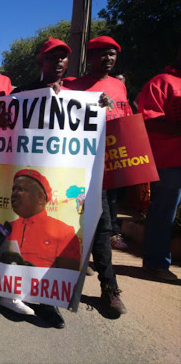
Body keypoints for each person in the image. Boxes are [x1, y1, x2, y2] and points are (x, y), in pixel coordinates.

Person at [64, 36, 129, 316]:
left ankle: (109, 289)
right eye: (102, 54)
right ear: (89, 57)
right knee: (67, 224)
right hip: (73, 169)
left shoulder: (119, 87)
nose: (108, 59)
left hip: (105, 171)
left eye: (112, 54)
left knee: (102, 228)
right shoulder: (71, 86)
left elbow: (126, 125)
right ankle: (56, 285)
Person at [0, 169, 80, 328]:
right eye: (13, 189)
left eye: (21, 189)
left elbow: (67, 276)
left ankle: (48, 304)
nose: (14, 193)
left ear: (41, 198)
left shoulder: (64, 231)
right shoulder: (6, 227)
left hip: (45, 290)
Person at [138, 46, 181, 282]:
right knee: (164, 213)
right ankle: (156, 263)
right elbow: (149, 121)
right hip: (169, 161)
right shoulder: (162, 82)